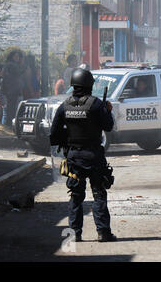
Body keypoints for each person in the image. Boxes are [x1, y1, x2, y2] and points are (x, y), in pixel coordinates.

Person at [49, 69, 116, 242]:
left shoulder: (64, 106)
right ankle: (103, 233)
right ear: (90, 85)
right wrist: (108, 110)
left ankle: (74, 233)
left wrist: (68, 142)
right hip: (94, 156)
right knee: (99, 193)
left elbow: (54, 135)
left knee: (76, 196)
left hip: (74, 157)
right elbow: (108, 126)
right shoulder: (96, 104)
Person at [1, 50, 25, 126]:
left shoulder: (7, 65)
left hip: (10, 91)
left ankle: (8, 125)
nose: (17, 58)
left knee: (9, 110)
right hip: (13, 91)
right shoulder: (12, 65)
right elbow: (19, 73)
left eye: (18, 56)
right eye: (16, 56)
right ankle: (10, 125)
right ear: (12, 57)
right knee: (12, 110)